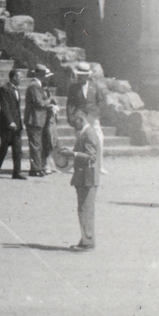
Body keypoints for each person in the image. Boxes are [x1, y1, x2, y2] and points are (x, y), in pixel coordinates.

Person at [70, 107, 103, 250]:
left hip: (88, 177)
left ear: (81, 119)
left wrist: (74, 155)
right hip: (85, 176)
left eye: (74, 122)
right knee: (85, 208)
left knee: (85, 208)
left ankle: (88, 241)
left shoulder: (88, 134)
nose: (73, 125)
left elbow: (91, 157)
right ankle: (87, 239)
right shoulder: (86, 132)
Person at [0, 68, 24, 179]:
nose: (21, 79)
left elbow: (16, 108)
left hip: (16, 124)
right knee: (4, 147)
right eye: (19, 77)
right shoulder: (4, 89)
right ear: (14, 77)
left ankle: (16, 172)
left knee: (17, 149)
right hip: (6, 124)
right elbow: (5, 107)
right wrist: (10, 121)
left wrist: (19, 122)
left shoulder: (17, 89)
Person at [24, 66, 51, 177]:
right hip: (34, 119)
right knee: (35, 145)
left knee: (38, 144)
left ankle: (38, 167)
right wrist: (50, 101)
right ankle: (35, 169)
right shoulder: (34, 86)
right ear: (41, 75)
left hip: (38, 119)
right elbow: (39, 103)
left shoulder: (38, 86)